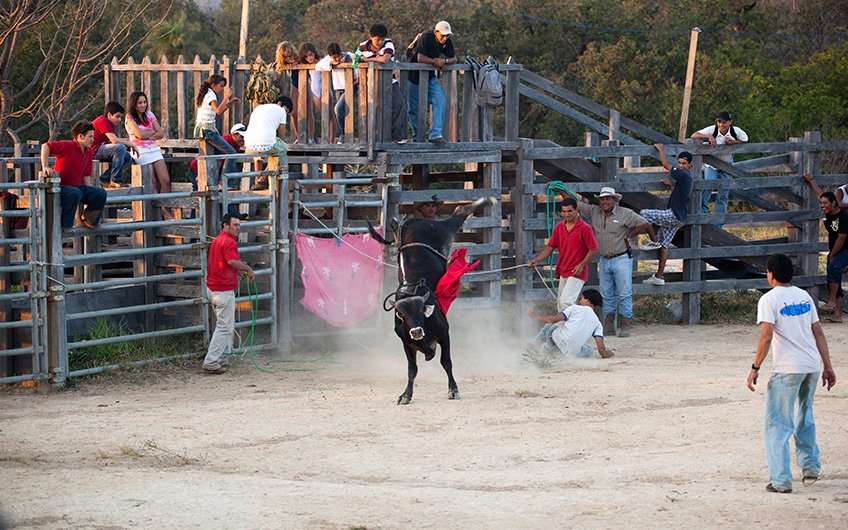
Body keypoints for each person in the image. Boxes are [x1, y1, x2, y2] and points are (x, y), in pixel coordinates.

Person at [747, 253, 837, 493]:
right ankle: (810, 466)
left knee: (777, 423)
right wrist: (827, 366)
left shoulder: (769, 299)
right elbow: (817, 332)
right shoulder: (803, 296)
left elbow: (766, 336)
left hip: (787, 368)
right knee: (804, 415)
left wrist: (755, 367)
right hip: (811, 366)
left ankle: (781, 480)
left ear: (771, 274)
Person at [577, 186, 652, 337]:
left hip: (621, 257)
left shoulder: (625, 213)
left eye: (608, 198)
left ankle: (625, 325)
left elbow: (645, 224)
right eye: (602, 199)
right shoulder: (594, 212)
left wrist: (631, 233)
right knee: (607, 294)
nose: (605, 201)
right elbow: (576, 204)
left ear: (614, 200)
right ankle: (609, 325)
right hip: (604, 259)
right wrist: (560, 189)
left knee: (624, 293)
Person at [203, 213, 254, 373]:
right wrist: (247, 268)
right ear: (225, 225)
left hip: (214, 288)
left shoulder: (218, 240)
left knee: (226, 326)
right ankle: (212, 360)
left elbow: (225, 264)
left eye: (239, 225)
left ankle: (222, 358)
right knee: (224, 327)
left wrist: (238, 272)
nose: (238, 228)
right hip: (223, 290)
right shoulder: (229, 241)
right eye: (235, 225)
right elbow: (231, 261)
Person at [528, 197, 598, 311]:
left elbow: (593, 249)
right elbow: (550, 247)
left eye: (570, 211)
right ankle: (568, 326)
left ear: (576, 210)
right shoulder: (559, 227)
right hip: (563, 269)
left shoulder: (585, 228)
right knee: (561, 304)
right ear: (560, 212)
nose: (567, 214)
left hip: (577, 272)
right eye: (564, 211)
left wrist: (581, 264)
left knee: (566, 303)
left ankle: (572, 327)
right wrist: (537, 260)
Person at [639, 144, 694, 286]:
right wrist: (671, 185)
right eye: (680, 163)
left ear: (690, 165)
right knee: (664, 245)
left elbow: (665, 164)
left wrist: (661, 150)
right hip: (680, 218)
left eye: (684, 163)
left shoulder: (682, 173)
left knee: (643, 214)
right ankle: (659, 276)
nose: (681, 165)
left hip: (673, 215)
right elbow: (681, 192)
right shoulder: (687, 178)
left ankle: (653, 241)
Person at [39, 121, 107, 229]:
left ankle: (88, 220)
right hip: (60, 187)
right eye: (90, 137)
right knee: (75, 193)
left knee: (100, 193)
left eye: (93, 137)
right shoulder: (68, 145)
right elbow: (45, 146)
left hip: (77, 188)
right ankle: (65, 227)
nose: (92, 140)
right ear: (80, 136)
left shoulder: (88, 152)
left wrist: (90, 193)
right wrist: (45, 166)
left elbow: (86, 175)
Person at [525, 289, 613, 366]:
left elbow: (553, 320)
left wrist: (535, 316)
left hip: (556, 340)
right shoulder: (598, 323)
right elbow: (601, 349)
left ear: (587, 300)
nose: (580, 301)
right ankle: (551, 354)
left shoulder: (574, 308)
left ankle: (535, 346)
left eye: (581, 298)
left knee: (550, 326)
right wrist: (608, 354)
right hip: (569, 353)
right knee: (588, 350)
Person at [124, 91, 173, 220]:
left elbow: (161, 133)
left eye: (144, 102)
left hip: (154, 149)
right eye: (140, 102)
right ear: (134, 104)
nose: (143, 105)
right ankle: (158, 212)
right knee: (153, 183)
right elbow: (139, 135)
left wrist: (146, 134)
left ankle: (165, 208)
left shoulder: (149, 114)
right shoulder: (130, 118)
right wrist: (151, 132)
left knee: (165, 180)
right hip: (140, 151)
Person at [407, 20, 456, 144]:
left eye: (447, 35)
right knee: (414, 109)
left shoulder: (447, 41)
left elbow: (454, 58)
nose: (445, 38)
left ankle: (435, 134)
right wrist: (435, 61)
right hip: (413, 77)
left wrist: (444, 61)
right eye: (442, 35)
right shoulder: (426, 37)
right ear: (436, 32)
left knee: (440, 99)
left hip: (429, 77)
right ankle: (417, 138)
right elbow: (420, 58)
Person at [690, 111, 748, 214]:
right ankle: (703, 213)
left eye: (724, 122)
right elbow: (694, 135)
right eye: (719, 121)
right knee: (708, 187)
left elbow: (745, 140)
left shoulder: (736, 131)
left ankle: (719, 220)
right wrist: (708, 136)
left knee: (724, 191)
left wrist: (733, 142)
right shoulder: (712, 129)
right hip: (711, 165)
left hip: (726, 165)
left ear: (730, 122)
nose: (721, 124)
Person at [359, 23, 408, 143]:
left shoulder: (388, 44)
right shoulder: (363, 46)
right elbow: (357, 59)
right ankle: (372, 137)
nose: (380, 42)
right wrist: (369, 59)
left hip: (389, 80)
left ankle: (397, 136)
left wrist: (369, 59)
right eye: (377, 39)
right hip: (371, 82)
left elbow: (385, 59)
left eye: (382, 39)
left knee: (399, 104)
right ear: (371, 37)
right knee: (374, 108)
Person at [810, 190, 848, 322]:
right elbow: (820, 194)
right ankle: (837, 315)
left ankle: (831, 300)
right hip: (837, 250)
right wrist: (811, 181)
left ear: (833, 203)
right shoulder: (828, 213)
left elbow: (842, 238)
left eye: (825, 203)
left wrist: (831, 255)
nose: (822, 205)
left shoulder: (844, 216)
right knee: (833, 278)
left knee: (834, 268)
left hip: (845, 249)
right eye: (820, 203)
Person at [194, 74, 239, 180]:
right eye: (221, 86)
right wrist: (227, 97)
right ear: (213, 85)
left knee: (217, 154)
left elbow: (218, 110)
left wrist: (230, 103)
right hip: (208, 131)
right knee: (232, 153)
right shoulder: (211, 95)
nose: (222, 89)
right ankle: (227, 182)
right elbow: (218, 111)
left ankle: (208, 179)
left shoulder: (207, 94)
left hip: (203, 130)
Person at [315, 43, 355, 143]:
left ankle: (342, 135)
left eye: (338, 56)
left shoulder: (350, 56)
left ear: (340, 52)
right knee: (342, 112)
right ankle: (346, 136)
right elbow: (318, 66)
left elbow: (357, 71)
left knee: (337, 109)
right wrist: (331, 63)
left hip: (350, 86)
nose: (337, 59)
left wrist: (354, 83)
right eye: (334, 57)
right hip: (338, 88)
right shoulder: (329, 59)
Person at [91, 101, 134, 188]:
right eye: (117, 116)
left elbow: (111, 141)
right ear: (109, 115)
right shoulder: (103, 121)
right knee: (120, 148)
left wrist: (128, 142)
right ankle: (115, 180)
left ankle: (104, 179)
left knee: (127, 157)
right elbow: (114, 140)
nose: (119, 119)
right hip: (92, 151)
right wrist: (130, 144)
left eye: (120, 117)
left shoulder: (110, 123)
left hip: (98, 149)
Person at [273, 41, 300, 140]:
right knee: (293, 112)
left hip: (303, 82)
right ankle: (298, 136)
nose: (287, 59)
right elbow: (277, 67)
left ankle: (306, 136)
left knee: (304, 111)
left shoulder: (299, 60)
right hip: (294, 84)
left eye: (289, 56)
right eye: (284, 57)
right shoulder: (280, 63)